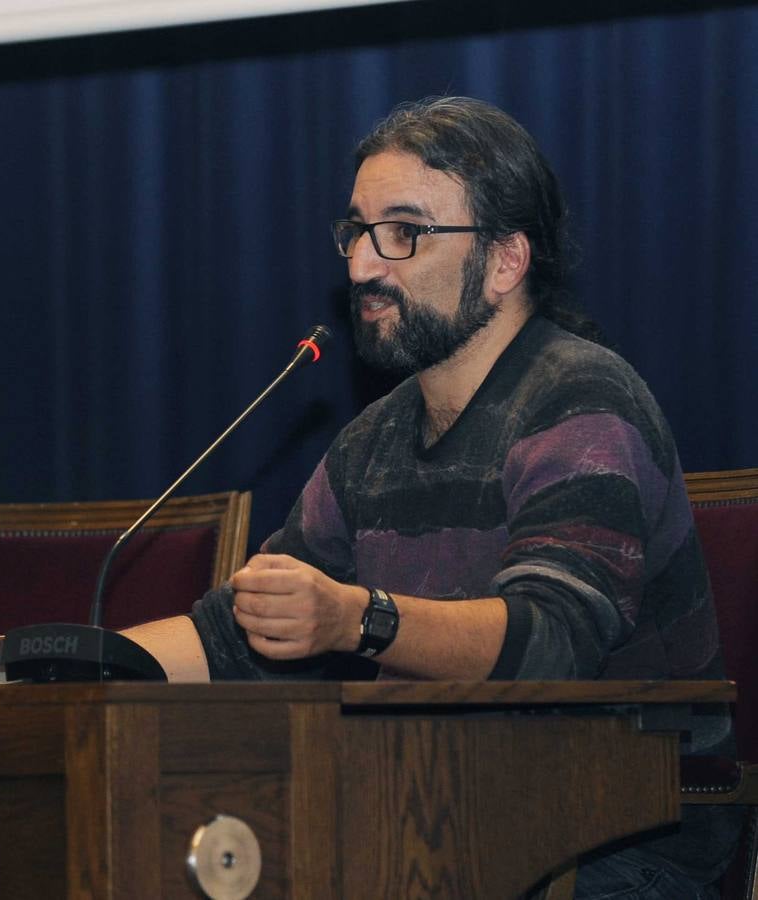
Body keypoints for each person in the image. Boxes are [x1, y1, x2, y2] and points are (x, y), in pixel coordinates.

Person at [126, 96, 738, 897]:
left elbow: (553, 641)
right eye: (356, 231)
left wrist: (355, 617)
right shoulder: (373, 440)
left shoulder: (583, 400)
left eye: (405, 233)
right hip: (438, 814)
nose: (362, 266)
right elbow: (239, 636)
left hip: (619, 837)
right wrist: (54, 666)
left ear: (506, 259)